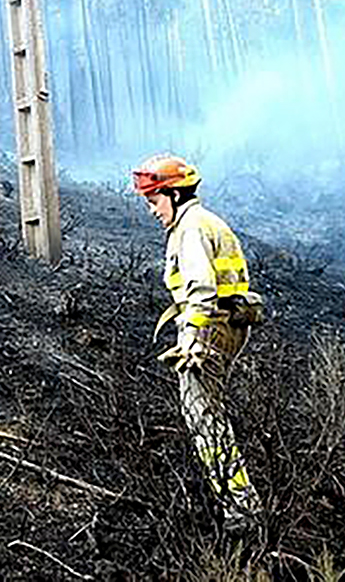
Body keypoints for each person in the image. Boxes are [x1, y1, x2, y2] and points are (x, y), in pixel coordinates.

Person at [131, 154, 265, 529]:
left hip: (208, 330)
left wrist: (192, 341)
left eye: (154, 201)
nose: (152, 210)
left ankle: (240, 508)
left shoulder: (189, 229)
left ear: (173, 194)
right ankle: (236, 500)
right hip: (226, 327)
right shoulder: (205, 222)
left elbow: (202, 291)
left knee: (205, 419)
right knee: (209, 415)